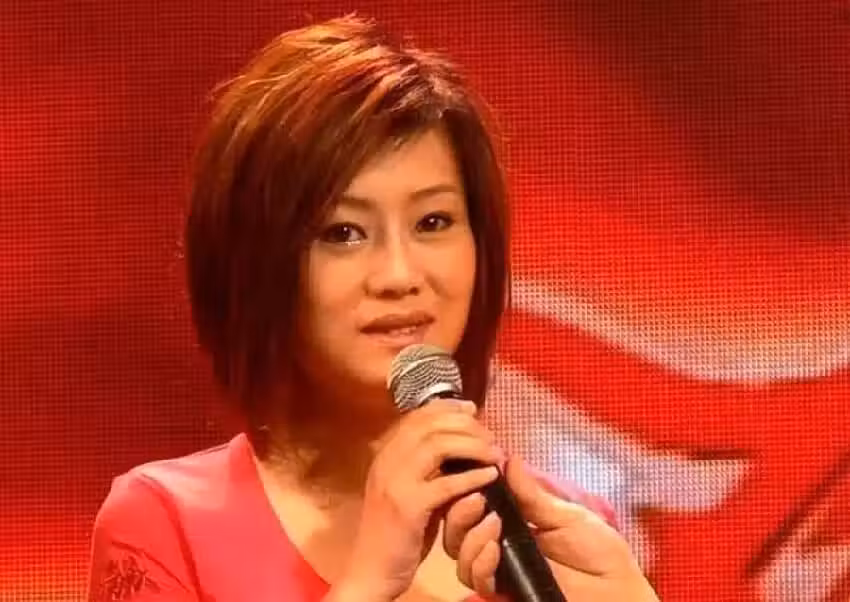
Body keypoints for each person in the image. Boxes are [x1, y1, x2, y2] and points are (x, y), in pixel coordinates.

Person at [86, 16, 659, 602]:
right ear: (258, 260)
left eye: (432, 222)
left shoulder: (568, 534)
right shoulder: (163, 525)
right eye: (342, 233)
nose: (399, 276)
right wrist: (372, 579)